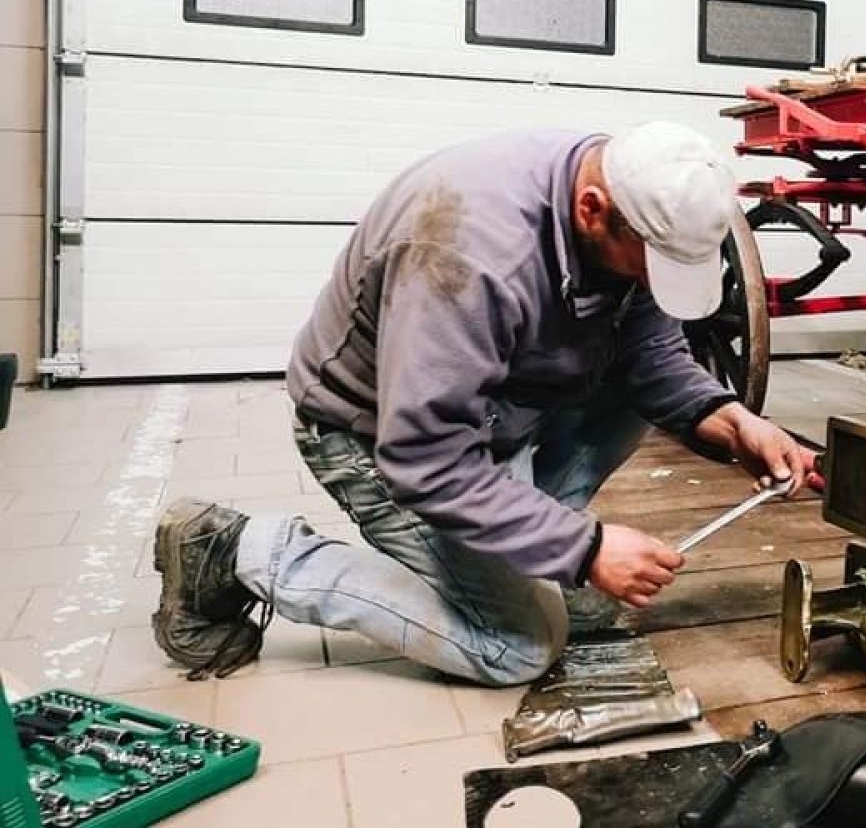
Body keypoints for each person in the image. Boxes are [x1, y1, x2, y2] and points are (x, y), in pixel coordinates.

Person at [148, 121, 817, 685]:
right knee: (514, 649)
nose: (651, 278)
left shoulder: (633, 194)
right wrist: (584, 550)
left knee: (629, 392)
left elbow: (652, 357)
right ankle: (238, 552)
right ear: (591, 209)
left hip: (498, 409)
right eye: (648, 261)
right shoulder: (470, 254)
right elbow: (426, 459)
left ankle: (524, 555)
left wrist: (737, 425)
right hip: (378, 435)